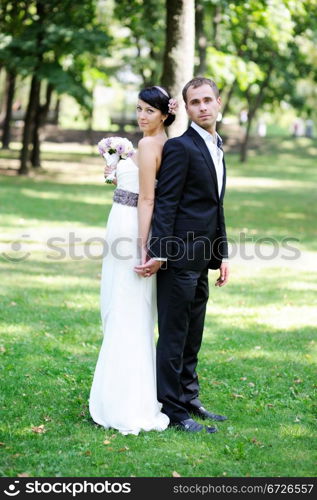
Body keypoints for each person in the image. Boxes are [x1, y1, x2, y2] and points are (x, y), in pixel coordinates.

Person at [135, 77, 229, 434]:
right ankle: (173, 410)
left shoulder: (217, 146)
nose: (203, 107)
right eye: (195, 102)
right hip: (176, 258)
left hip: (202, 257)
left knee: (193, 334)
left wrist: (222, 255)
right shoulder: (181, 148)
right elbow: (167, 203)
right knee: (174, 335)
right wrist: (159, 251)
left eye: (208, 100)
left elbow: (215, 206)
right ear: (187, 109)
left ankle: (190, 398)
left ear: (218, 103)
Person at [89, 86, 176, 435]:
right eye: (139, 109)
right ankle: (123, 390)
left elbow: (148, 200)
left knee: (126, 308)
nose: (142, 117)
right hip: (120, 226)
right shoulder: (152, 145)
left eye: (149, 111)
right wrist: (116, 166)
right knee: (120, 306)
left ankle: (124, 398)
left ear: (165, 114)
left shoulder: (150, 145)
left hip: (133, 232)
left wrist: (145, 247)